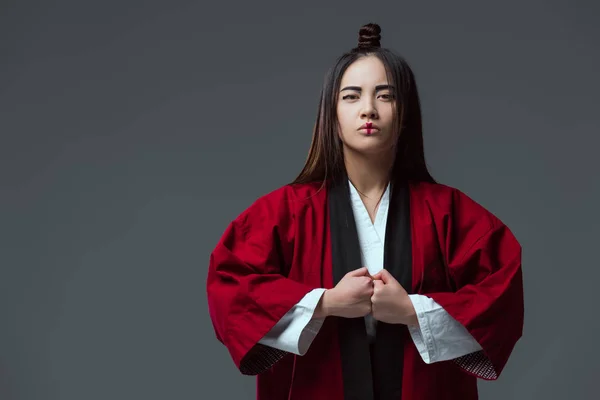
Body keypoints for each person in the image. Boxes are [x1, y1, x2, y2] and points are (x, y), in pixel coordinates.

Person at [206, 22, 524, 400]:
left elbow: (500, 296)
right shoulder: (283, 212)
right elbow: (231, 289)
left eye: (385, 96)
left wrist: (411, 310)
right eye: (351, 96)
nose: (368, 110)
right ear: (332, 114)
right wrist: (326, 303)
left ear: (404, 113)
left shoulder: (449, 211)